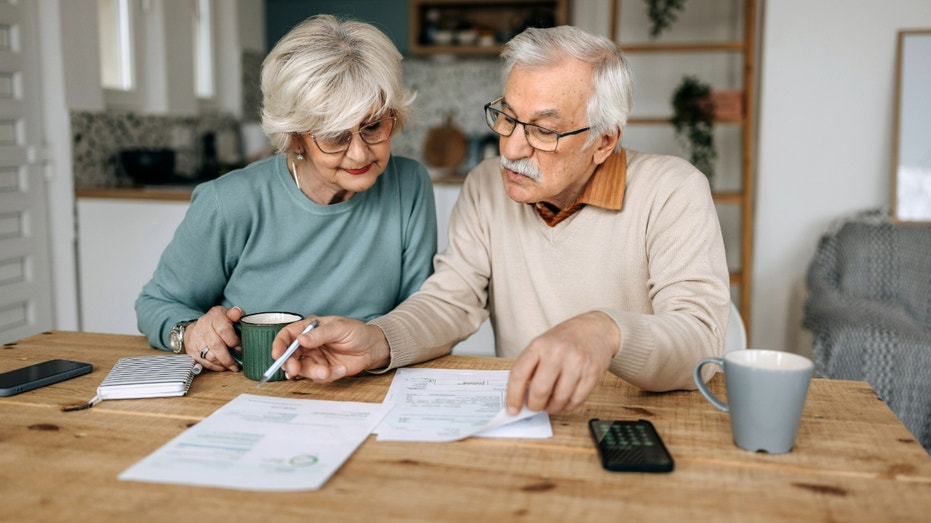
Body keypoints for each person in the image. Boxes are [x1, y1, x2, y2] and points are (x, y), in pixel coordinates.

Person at [273, 24, 730, 415]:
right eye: (508, 117)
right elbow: (450, 303)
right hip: (526, 415)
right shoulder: (486, 186)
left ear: (604, 141)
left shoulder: (673, 190)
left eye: (544, 131)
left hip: (643, 418)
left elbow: (700, 343)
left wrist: (605, 330)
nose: (510, 148)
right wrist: (375, 340)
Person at [135, 15, 437, 372]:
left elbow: (421, 316)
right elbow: (157, 303)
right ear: (295, 136)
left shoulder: (409, 185)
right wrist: (188, 333)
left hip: (364, 386)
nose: (360, 153)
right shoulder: (230, 202)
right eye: (335, 135)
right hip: (248, 391)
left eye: (373, 127)